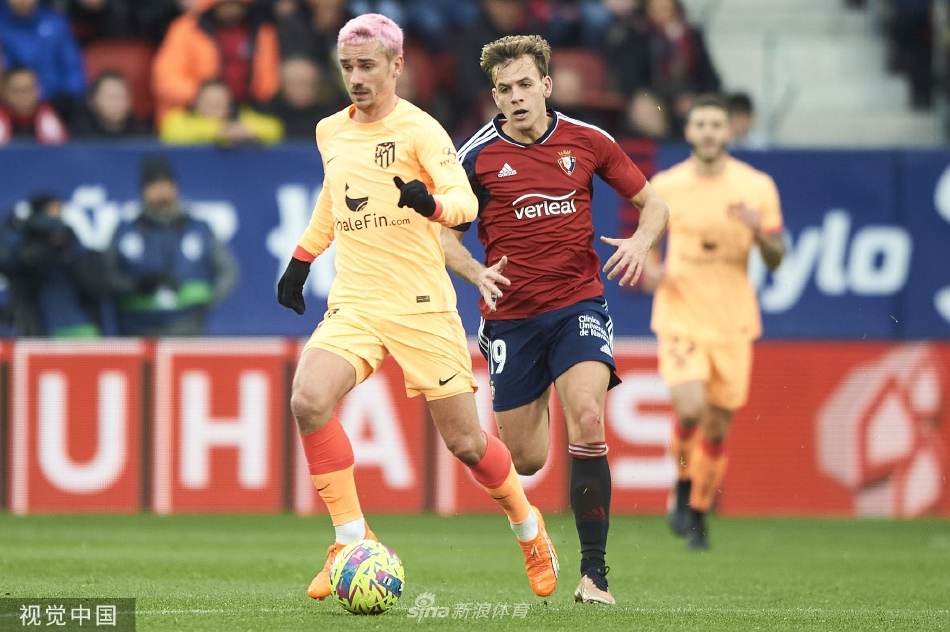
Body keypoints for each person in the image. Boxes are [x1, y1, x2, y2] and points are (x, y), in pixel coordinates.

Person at [275, 14, 559, 601]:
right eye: (347, 67)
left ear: (396, 66)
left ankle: (528, 527)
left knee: (467, 444)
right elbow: (335, 194)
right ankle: (349, 540)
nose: (356, 78)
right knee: (308, 399)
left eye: (367, 66)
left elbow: (463, 203)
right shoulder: (331, 130)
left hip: (421, 304)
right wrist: (302, 257)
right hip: (356, 300)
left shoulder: (421, 130)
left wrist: (430, 204)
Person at [444, 34, 669, 605]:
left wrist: (641, 243)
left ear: (546, 85)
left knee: (589, 417)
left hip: (577, 304)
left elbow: (655, 203)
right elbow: (442, 237)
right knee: (526, 459)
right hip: (512, 319)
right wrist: (475, 272)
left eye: (525, 85)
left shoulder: (587, 140)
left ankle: (595, 575)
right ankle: (537, 401)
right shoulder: (475, 157)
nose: (516, 97)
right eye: (505, 89)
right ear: (495, 96)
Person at [643, 93, 785, 550]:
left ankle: (699, 511)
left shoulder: (757, 186)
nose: (708, 132)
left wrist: (760, 230)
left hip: (733, 321)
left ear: (729, 131)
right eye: (700, 124)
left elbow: (777, 257)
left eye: (716, 125)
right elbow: (647, 243)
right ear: (688, 131)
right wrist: (650, 270)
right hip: (681, 313)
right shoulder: (666, 184)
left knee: (718, 428)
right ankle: (683, 485)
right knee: (689, 409)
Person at [105, 155, 239, 336]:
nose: (162, 191)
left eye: (167, 184)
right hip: (136, 330)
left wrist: (204, 307)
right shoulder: (124, 231)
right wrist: (136, 285)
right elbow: (105, 276)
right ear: (143, 190)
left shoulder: (199, 229)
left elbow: (228, 272)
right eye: (154, 185)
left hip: (188, 329)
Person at [151, 0, 280, 126]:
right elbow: (165, 81)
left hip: (247, 113)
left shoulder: (262, 30)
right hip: (194, 114)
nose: (230, 8)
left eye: (235, 3)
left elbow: (268, 85)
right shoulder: (187, 28)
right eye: (224, 3)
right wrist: (204, 96)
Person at [0, 193, 106, 337]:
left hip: (79, 324)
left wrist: (65, 252)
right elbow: (10, 265)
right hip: (40, 327)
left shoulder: (69, 239)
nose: (59, 215)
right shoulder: (23, 242)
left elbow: (92, 282)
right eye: (53, 209)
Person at [0, 0, 87, 119]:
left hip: (58, 102)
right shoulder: (2, 28)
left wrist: (68, 99)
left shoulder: (56, 24)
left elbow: (73, 69)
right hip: (13, 105)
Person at [160, 78, 283, 145]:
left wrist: (249, 131)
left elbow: (274, 128)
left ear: (229, 106)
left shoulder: (239, 119)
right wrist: (221, 131)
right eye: (209, 102)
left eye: (219, 103)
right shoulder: (181, 119)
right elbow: (172, 131)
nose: (214, 107)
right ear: (196, 104)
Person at [70, 70, 153, 139]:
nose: (116, 102)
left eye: (121, 96)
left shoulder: (143, 135)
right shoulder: (77, 136)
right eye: (110, 96)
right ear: (92, 100)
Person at [0, 66, 68, 144]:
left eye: (28, 89)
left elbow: (58, 148)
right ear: (5, 93)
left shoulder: (51, 114)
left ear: (38, 91)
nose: (23, 96)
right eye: (16, 91)